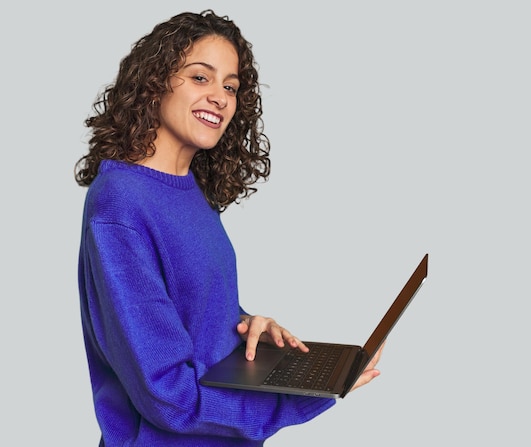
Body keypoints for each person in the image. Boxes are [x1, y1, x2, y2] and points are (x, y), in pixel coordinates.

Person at [75, 10, 383, 447]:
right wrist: (301, 399)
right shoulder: (120, 203)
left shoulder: (188, 191)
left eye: (231, 86)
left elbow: (183, 316)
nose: (219, 96)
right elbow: (168, 398)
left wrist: (243, 328)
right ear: (155, 82)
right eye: (201, 77)